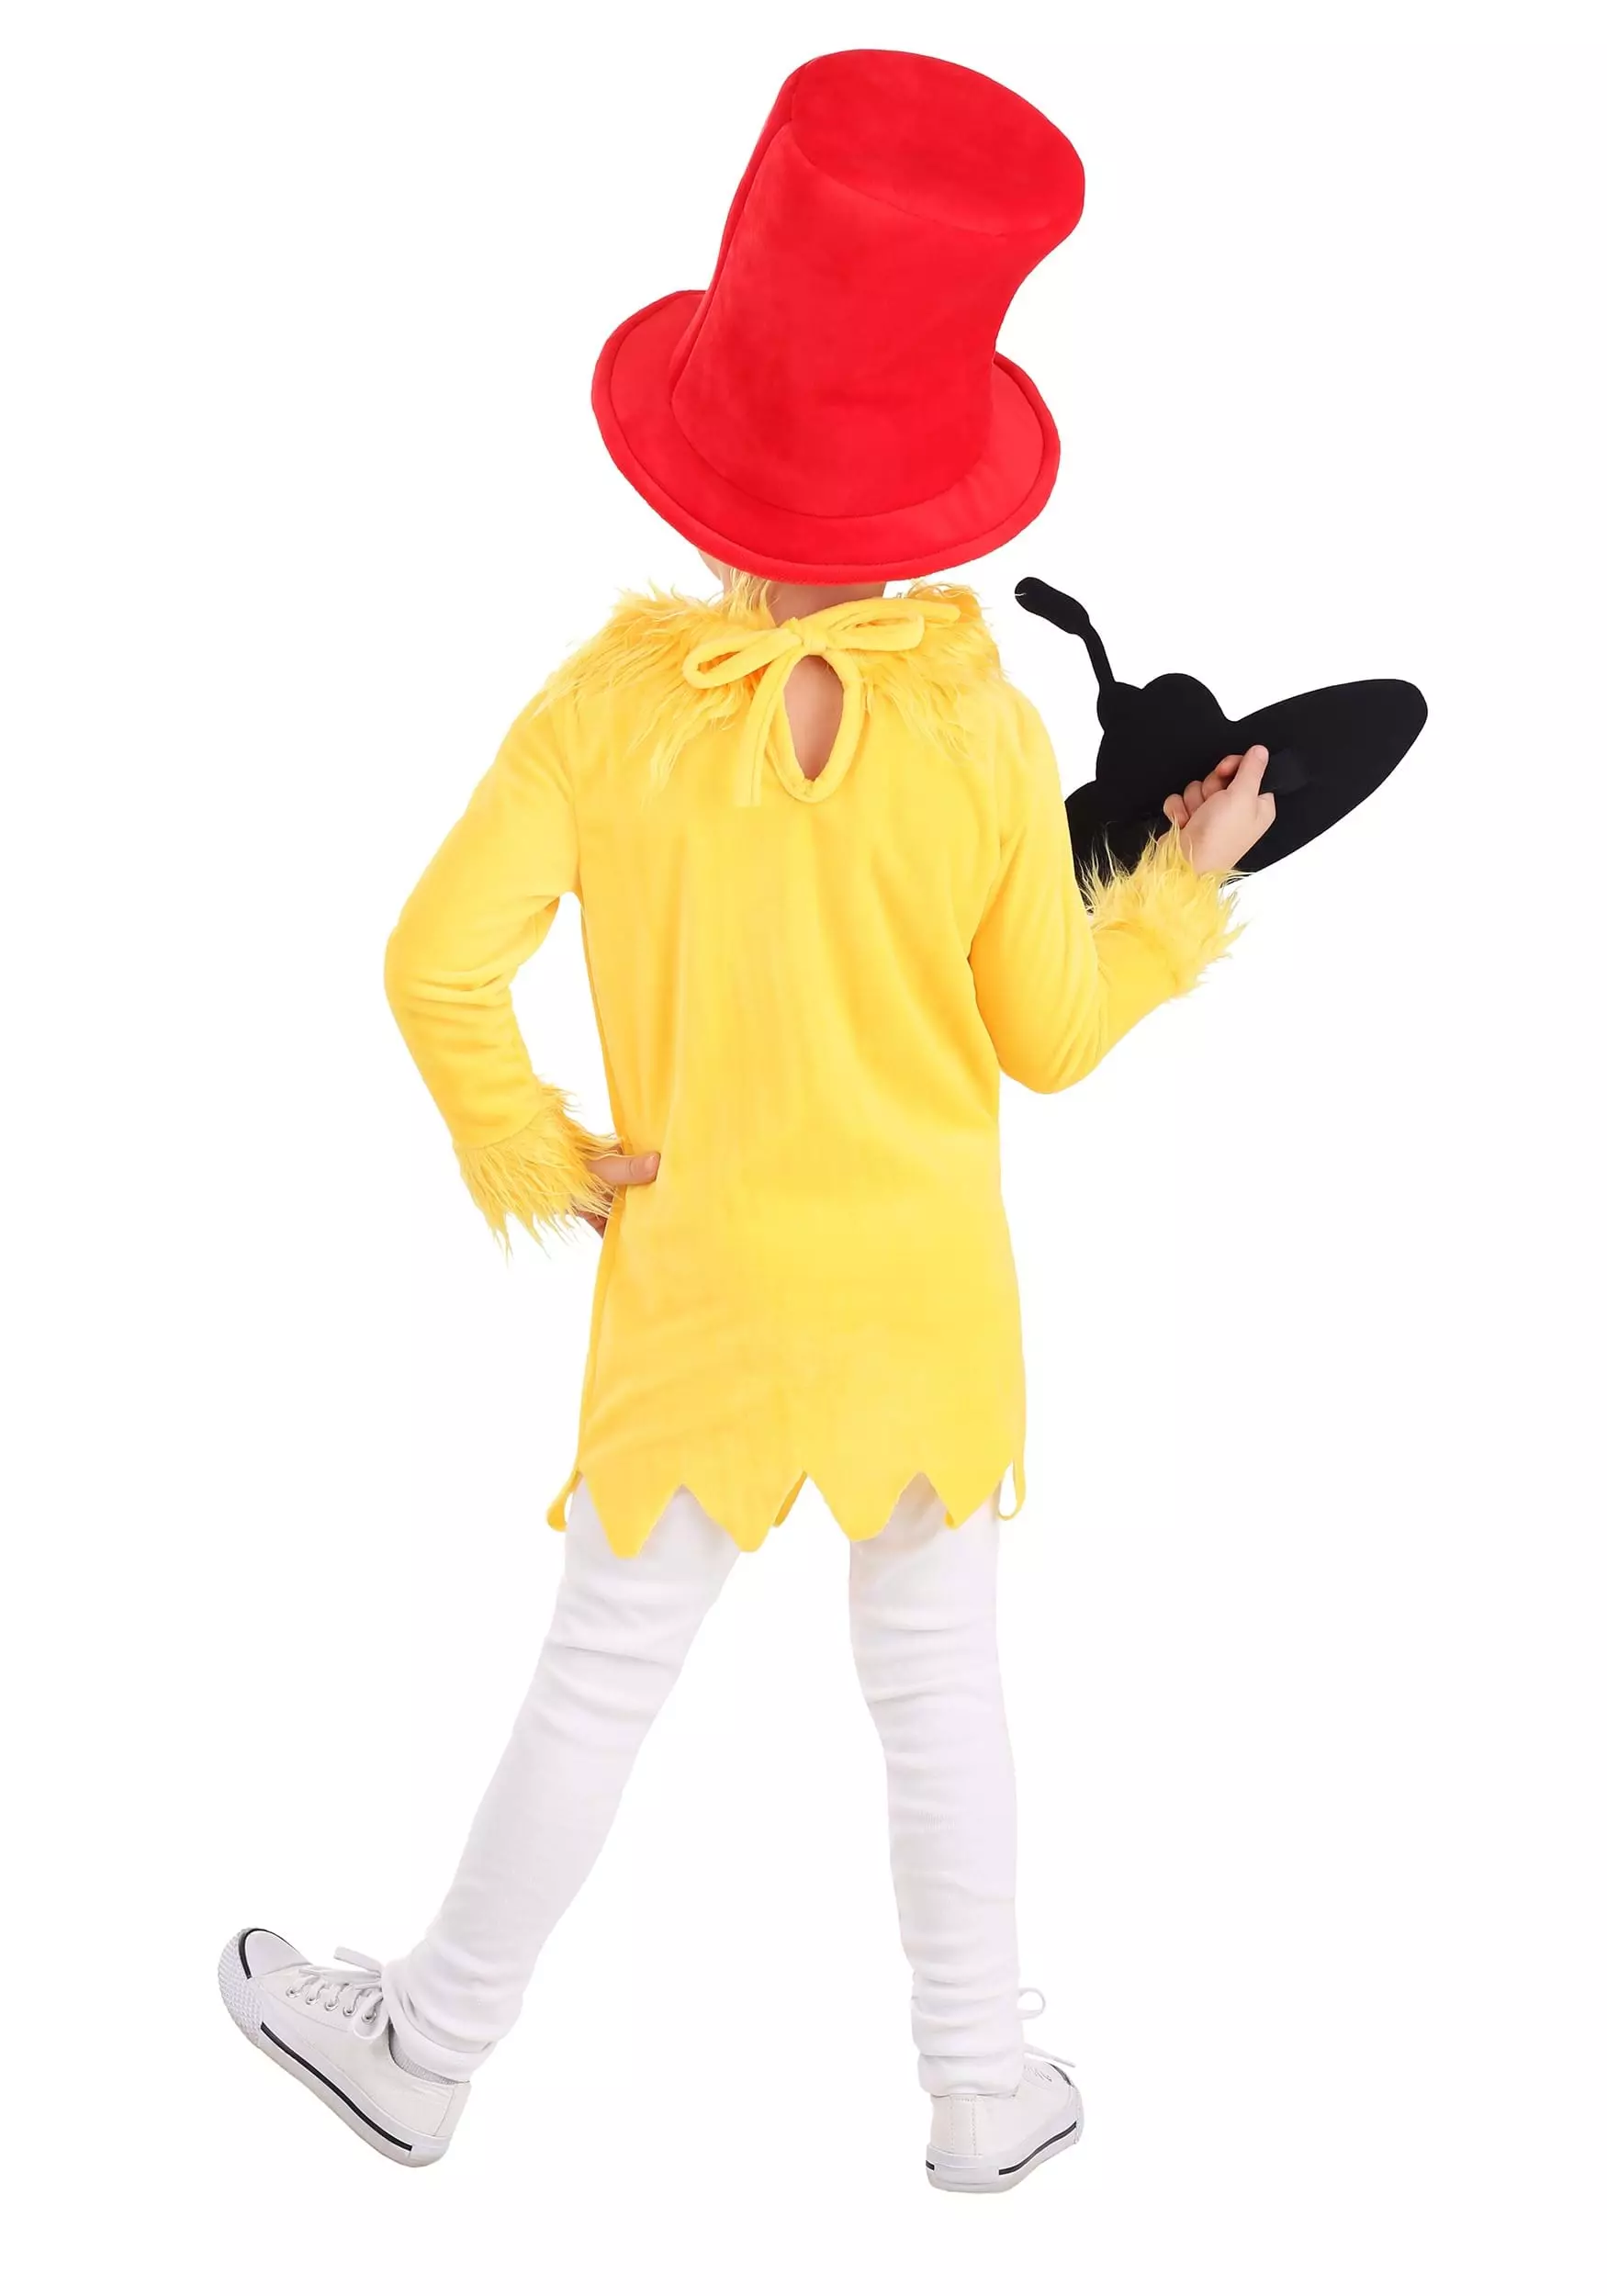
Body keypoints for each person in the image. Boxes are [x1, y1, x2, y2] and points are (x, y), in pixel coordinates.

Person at [217, 49, 1273, 2190]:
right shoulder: (979, 729)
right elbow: (1048, 1038)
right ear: (933, 488)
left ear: (705, 462)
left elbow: (430, 962)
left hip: (700, 1282)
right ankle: (979, 2087)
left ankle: (426, 2039)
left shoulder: (608, 712)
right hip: (920, 1303)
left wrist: (542, 1148)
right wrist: (1176, 890)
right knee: (939, 1678)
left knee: (601, 1666)